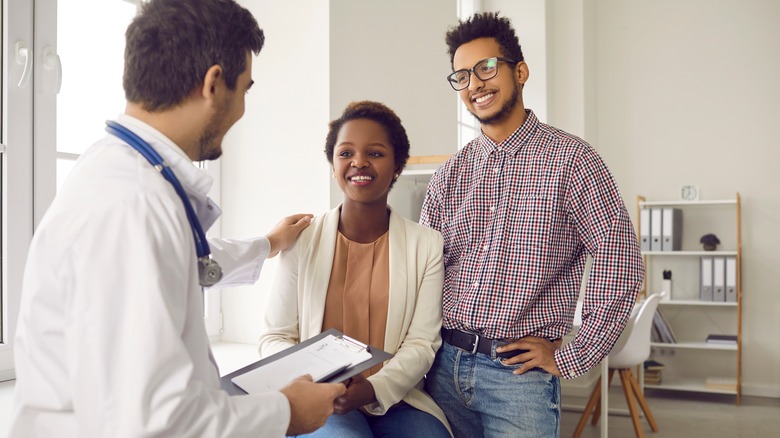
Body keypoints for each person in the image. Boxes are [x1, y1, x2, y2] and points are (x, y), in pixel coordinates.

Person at [9, 1, 345, 436]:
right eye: (245, 89)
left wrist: (268, 245)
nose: (243, 108)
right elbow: (158, 425)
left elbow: (182, 259)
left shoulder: (122, 174)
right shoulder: (133, 206)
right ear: (213, 83)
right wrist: (287, 412)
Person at [419, 12, 644, 437]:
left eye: (487, 67)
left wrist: (574, 355)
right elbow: (423, 272)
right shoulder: (450, 174)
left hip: (516, 379)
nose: (475, 84)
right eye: (462, 76)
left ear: (520, 71)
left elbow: (620, 261)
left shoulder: (573, 160)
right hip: (442, 369)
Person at [259, 101, 452, 438]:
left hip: (396, 399)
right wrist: (316, 378)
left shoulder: (427, 245)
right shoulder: (301, 239)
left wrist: (373, 388)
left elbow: (422, 343)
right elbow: (275, 337)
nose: (358, 162)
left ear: (397, 166)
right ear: (333, 164)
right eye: (345, 152)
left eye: (375, 153)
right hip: (318, 397)